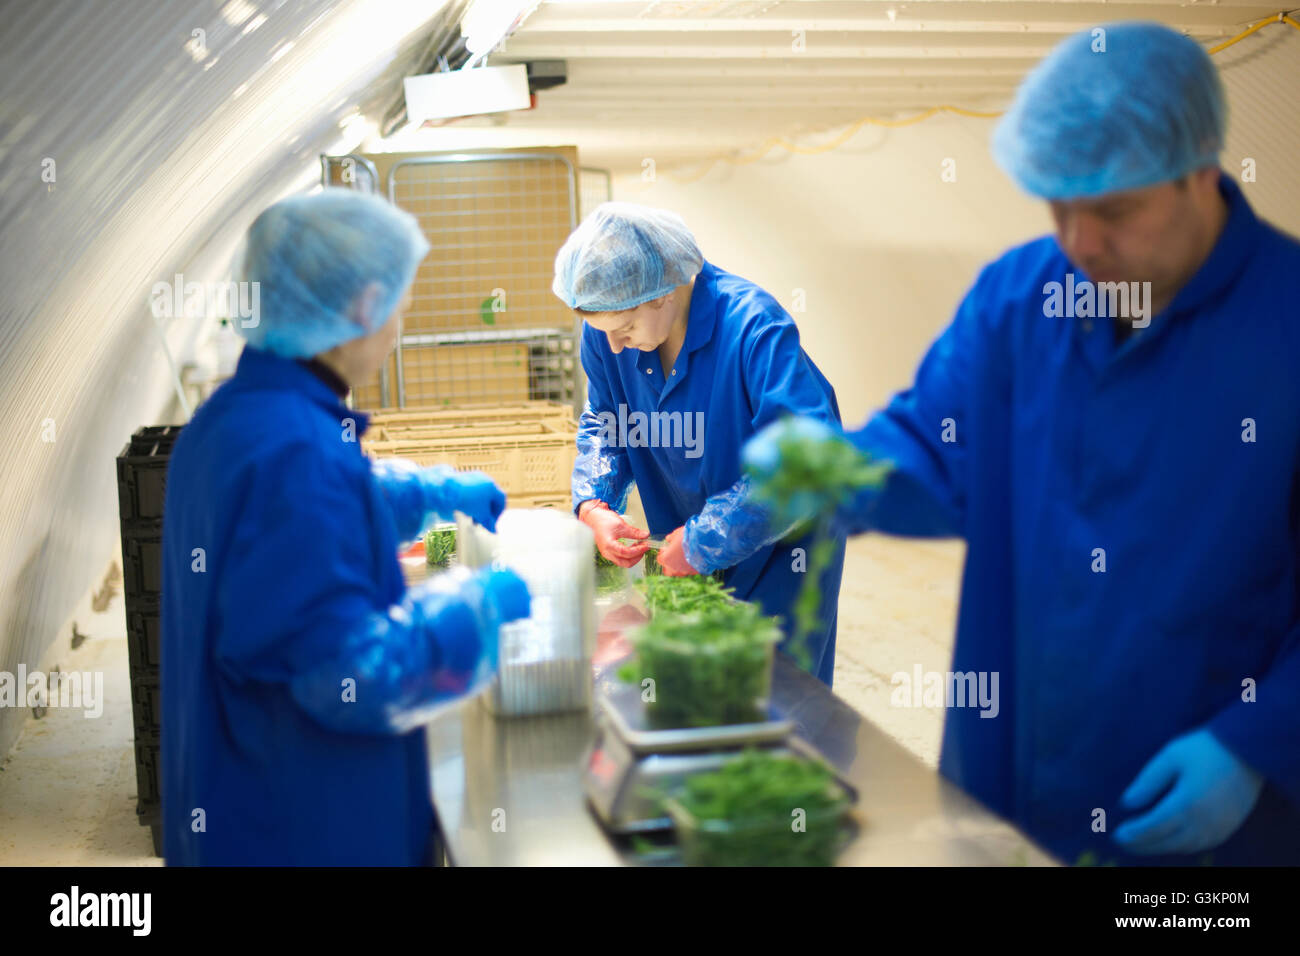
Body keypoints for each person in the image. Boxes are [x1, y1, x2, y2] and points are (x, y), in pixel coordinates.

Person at [744, 22, 1300, 864]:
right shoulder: (1022, 300)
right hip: (1007, 780)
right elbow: (935, 448)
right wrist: (842, 471)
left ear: (1201, 171)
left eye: (1113, 210)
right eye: (1059, 205)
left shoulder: (1285, 325)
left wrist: (1261, 739)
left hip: (1201, 810)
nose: (1079, 242)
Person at [161, 189, 530, 865]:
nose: (398, 327)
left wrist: (431, 493)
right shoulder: (298, 453)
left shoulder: (233, 424)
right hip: (308, 827)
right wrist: (477, 611)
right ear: (362, 306)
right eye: (398, 304)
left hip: (239, 799)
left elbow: (312, 523)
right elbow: (350, 676)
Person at [554, 203, 846, 685]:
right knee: (695, 686)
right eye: (605, 333)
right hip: (684, 534)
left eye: (625, 330)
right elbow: (607, 422)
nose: (615, 348)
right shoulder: (608, 335)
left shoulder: (755, 329)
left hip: (783, 549)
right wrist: (594, 503)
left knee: (773, 692)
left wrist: (707, 538)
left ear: (664, 294)